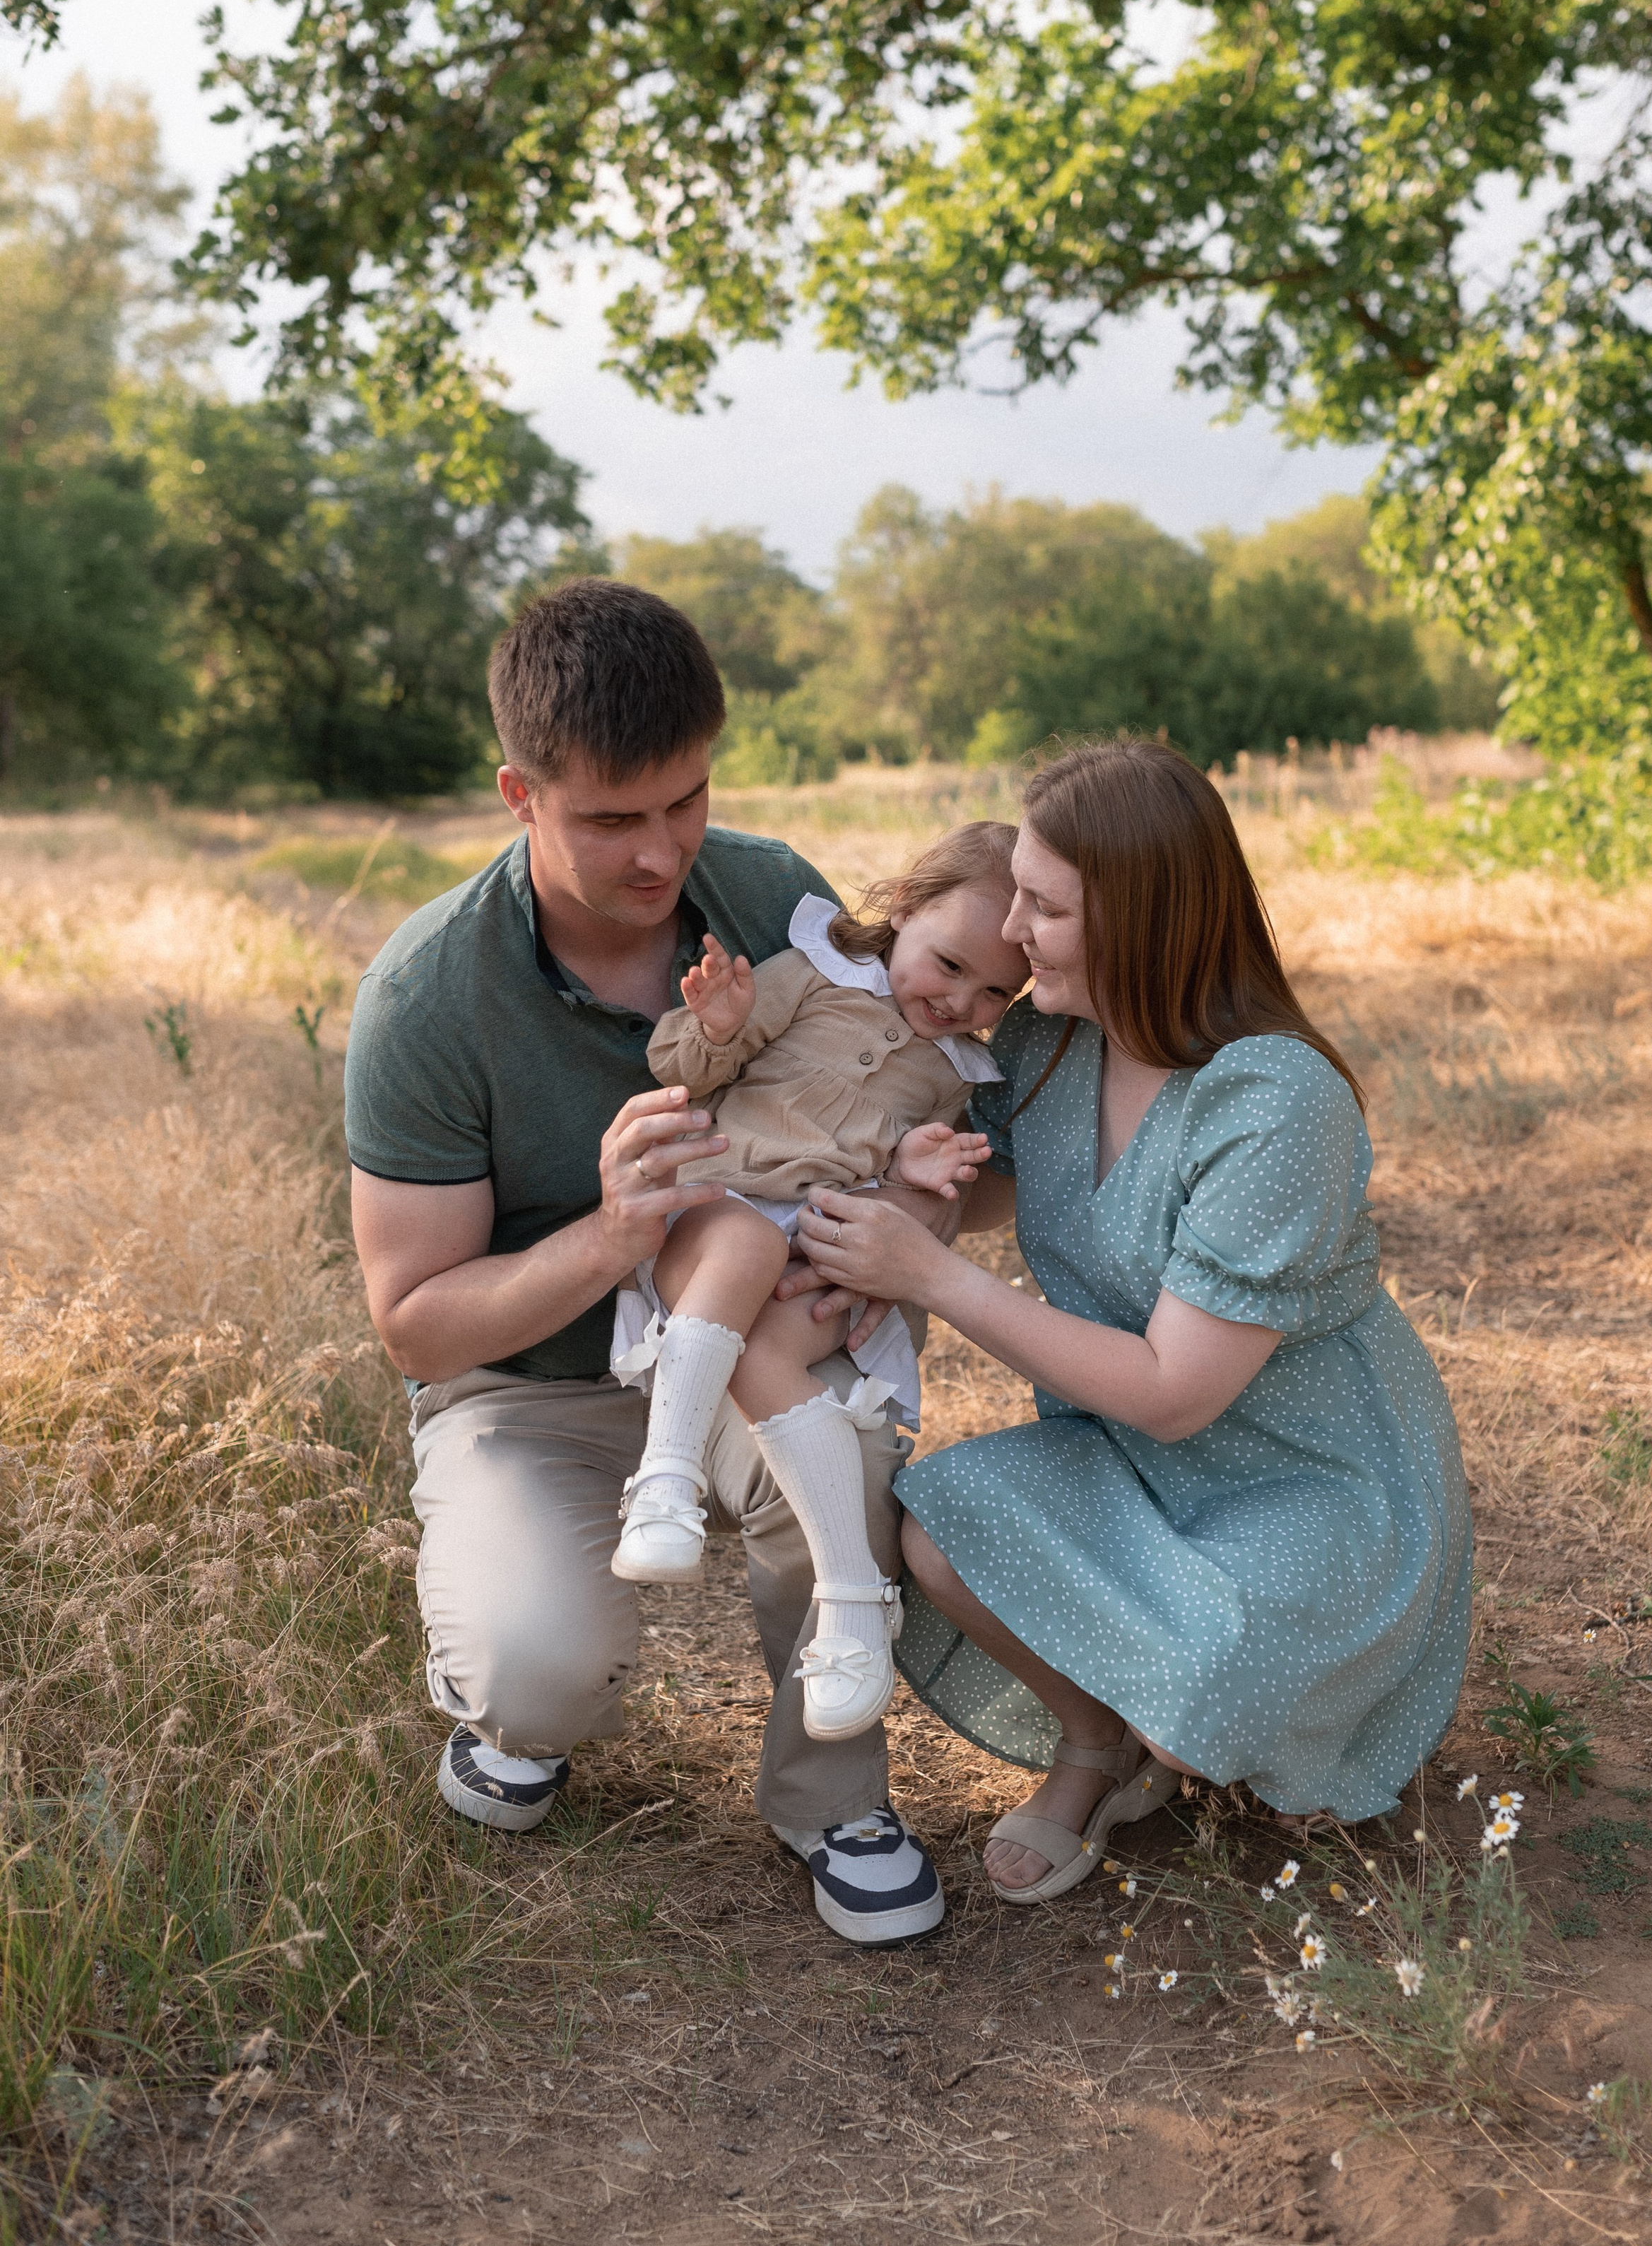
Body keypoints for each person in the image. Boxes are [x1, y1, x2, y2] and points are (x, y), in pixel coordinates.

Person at [342, 576, 948, 1944]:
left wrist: (886, 1246)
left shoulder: (776, 895)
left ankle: (833, 1798)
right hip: (530, 1385)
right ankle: (518, 1713)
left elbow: (904, 1094)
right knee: (539, 1670)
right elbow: (417, 1326)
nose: (662, 853)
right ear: (520, 794)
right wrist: (614, 1234)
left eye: (686, 801)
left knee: (846, 1450)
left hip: (750, 1347)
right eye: (612, 819)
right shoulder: (426, 995)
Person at [794, 737, 1473, 1905]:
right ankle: (1095, 1742)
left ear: (1142, 921)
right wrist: (894, 1200)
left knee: (1204, 1710)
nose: (1012, 932)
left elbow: (1173, 1391)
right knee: (939, 1536)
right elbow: (978, 1192)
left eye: (1046, 908)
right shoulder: (1048, 1040)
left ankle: (1248, 1719)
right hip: (1124, 1454)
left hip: (1308, 1478)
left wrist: (932, 1278)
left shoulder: (1275, 1100)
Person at [613, 828, 1023, 1749]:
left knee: (773, 1356)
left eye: (997, 992)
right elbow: (681, 1070)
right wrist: (720, 1026)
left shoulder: (957, 1071)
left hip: (821, 1248)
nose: (962, 1002)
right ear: (905, 907)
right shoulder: (813, 970)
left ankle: (854, 1602)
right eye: (950, 964)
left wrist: (916, 1173)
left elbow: (915, 1184)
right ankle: (666, 1480)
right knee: (745, 1248)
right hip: (715, 1208)